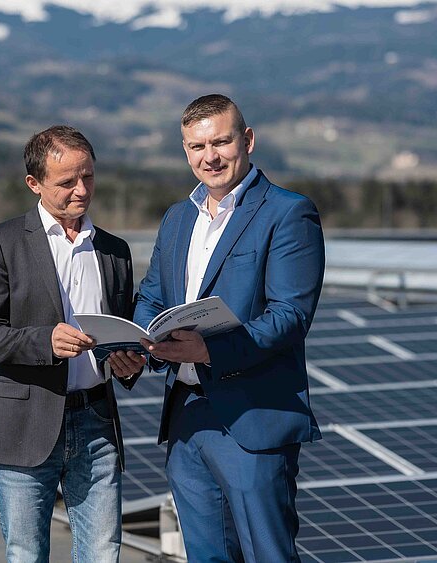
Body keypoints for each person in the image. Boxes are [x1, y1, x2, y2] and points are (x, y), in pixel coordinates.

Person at [134, 94, 325, 562]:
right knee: (206, 556)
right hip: (186, 416)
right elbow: (152, 298)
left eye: (221, 142)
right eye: (197, 146)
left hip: (252, 419)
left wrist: (209, 351)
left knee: (268, 556)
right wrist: (136, 343)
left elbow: (289, 317)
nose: (210, 156)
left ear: (248, 140)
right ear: (185, 150)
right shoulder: (177, 218)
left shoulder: (287, 212)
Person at [0, 125, 146, 563]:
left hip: (96, 423)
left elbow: (123, 330)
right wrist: (44, 340)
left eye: (87, 176)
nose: (81, 190)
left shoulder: (115, 251)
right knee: (27, 554)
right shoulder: (1, 242)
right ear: (34, 184)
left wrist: (130, 363)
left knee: (104, 553)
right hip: (24, 425)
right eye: (67, 182)